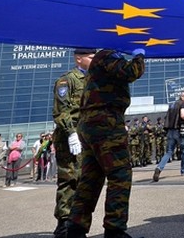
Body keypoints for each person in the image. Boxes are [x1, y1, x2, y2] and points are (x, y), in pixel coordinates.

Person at [65, 48, 145, 238]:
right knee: (119, 174)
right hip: (105, 122)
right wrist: (140, 55)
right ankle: (114, 229)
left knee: (91, 179)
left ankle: (76, 228)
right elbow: (131, 72)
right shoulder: (107, 55)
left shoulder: (102, 59)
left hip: (92, 123)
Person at [51, 48, 95, 237]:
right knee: (70, 179)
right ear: (79, 59)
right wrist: (71, 133)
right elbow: (61, 111)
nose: (94, 60)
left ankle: (77, 225)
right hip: (70, 138)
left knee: (86, 181)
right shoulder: (67, 80)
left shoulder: (94, 79)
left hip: (88, 136)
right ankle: (64, 224)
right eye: (91, 57)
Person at [152, 90, 184, 180]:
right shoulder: (182, 103)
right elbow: (182, 115)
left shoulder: (172, 105)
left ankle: (159, 168)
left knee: (169, 152)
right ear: (182, 97)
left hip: (170, 131)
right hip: (179, 131)